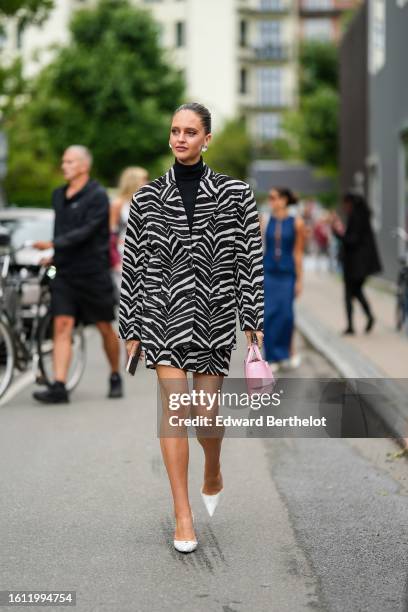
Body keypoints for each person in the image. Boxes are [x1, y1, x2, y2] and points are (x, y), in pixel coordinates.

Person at [118, 102, 264, 553]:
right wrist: (130, 325)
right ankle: (183, 514)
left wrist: (253, 321)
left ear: (207, 139)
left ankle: (213, 466)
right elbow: (134, 266)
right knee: (174, 412)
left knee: (206, 416)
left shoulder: (236, 194)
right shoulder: (146, 198)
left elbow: (248, 261)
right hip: (162, 316)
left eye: (190, 131)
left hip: (215, 317)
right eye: (175, 131)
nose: (180, 138)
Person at [32, 145, 123, 403]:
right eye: (64, 161)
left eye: (69, 162)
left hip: (93, 273)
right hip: (66, 272)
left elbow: (88, 231)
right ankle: (59, 385)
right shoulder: (58, 195)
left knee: (105, 327)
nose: (64, 166)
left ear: (84, 166)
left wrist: (54, 245)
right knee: (62, 324)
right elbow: (60, 231)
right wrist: (54, 254)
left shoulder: (97, 196)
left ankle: (115, 374)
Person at [260, 187, 305, 372]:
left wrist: (300, 280)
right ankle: (271, 357)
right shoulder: (264, 219)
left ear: (285, 200)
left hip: (287, 274)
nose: (272, 201)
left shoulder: (297, 223)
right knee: (269, 314)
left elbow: (298, 253)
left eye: (275, 198)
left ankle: (285, 353)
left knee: (286, 315)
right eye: (270, 198)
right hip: (268, 272)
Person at [331, 191, 382, 335]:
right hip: (360, 265)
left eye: (345, 204)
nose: (344, 207)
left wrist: (337, 233)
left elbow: (352, 240)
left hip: (354, 264)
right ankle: (367, 317)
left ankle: (352, 325)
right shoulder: (362, 216)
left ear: (350, 203)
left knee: (349, 294)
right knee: (357, 292)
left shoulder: (356, 217)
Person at [109, 166, 149, 291]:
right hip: (124, 253)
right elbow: (111, 235)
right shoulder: (118, 204)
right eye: (144, 179)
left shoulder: (147, 202)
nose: (147, 183)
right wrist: (115, 261)